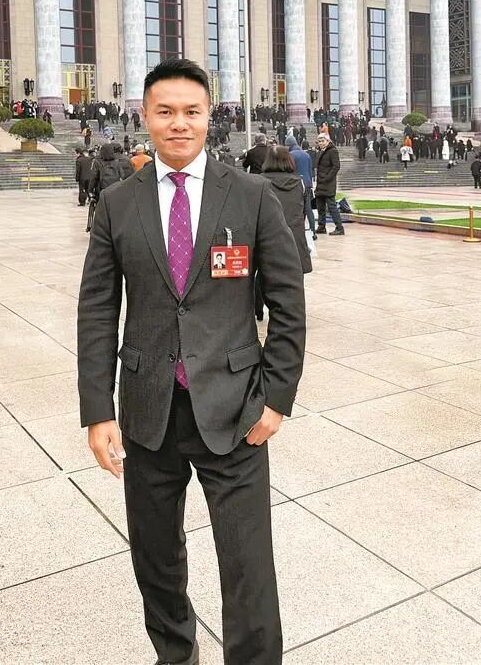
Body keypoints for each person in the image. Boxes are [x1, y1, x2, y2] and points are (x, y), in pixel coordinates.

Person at [77, 58, 306, 665]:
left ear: (210, 117)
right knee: (156, 561)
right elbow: (97, 311)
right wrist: (97, 410)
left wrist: (277, 399)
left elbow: (288, 303)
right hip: (148, 413)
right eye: (165, 111)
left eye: (191, 112)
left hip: (236, 412)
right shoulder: (118, 204)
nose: (179, 123)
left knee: (248, 566)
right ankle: (176, 657)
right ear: (145, 117)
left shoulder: (251, 196)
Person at [256, 145, 313, 320]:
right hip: (294, 234)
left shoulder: (258, 182)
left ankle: (258, 308)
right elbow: (304, 210)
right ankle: (295, 310)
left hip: (267, 234)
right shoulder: (300, 183)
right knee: (295, 275)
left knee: (260, 272)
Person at [284, 137, 316, 238]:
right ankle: (313, 230)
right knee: (308, 208)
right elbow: (310, 170)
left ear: (289, 145)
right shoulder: (306, 155)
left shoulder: (291, 155)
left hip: (297, 184)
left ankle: (298, 230)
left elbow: (290, 171)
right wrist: (310, 185)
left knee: (296, 208)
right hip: (307, 184)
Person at [314, 132, 345, 235]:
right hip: (320, 184)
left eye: (323, 141)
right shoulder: (320, 152)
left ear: (328, 141)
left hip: (328, 184)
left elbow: (336, 166)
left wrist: (327, 178)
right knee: (320, 206)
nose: (321, 143)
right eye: (319, 141)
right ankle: (321, 226)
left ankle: (339, 228)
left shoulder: (333, 151)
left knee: (332, 207)